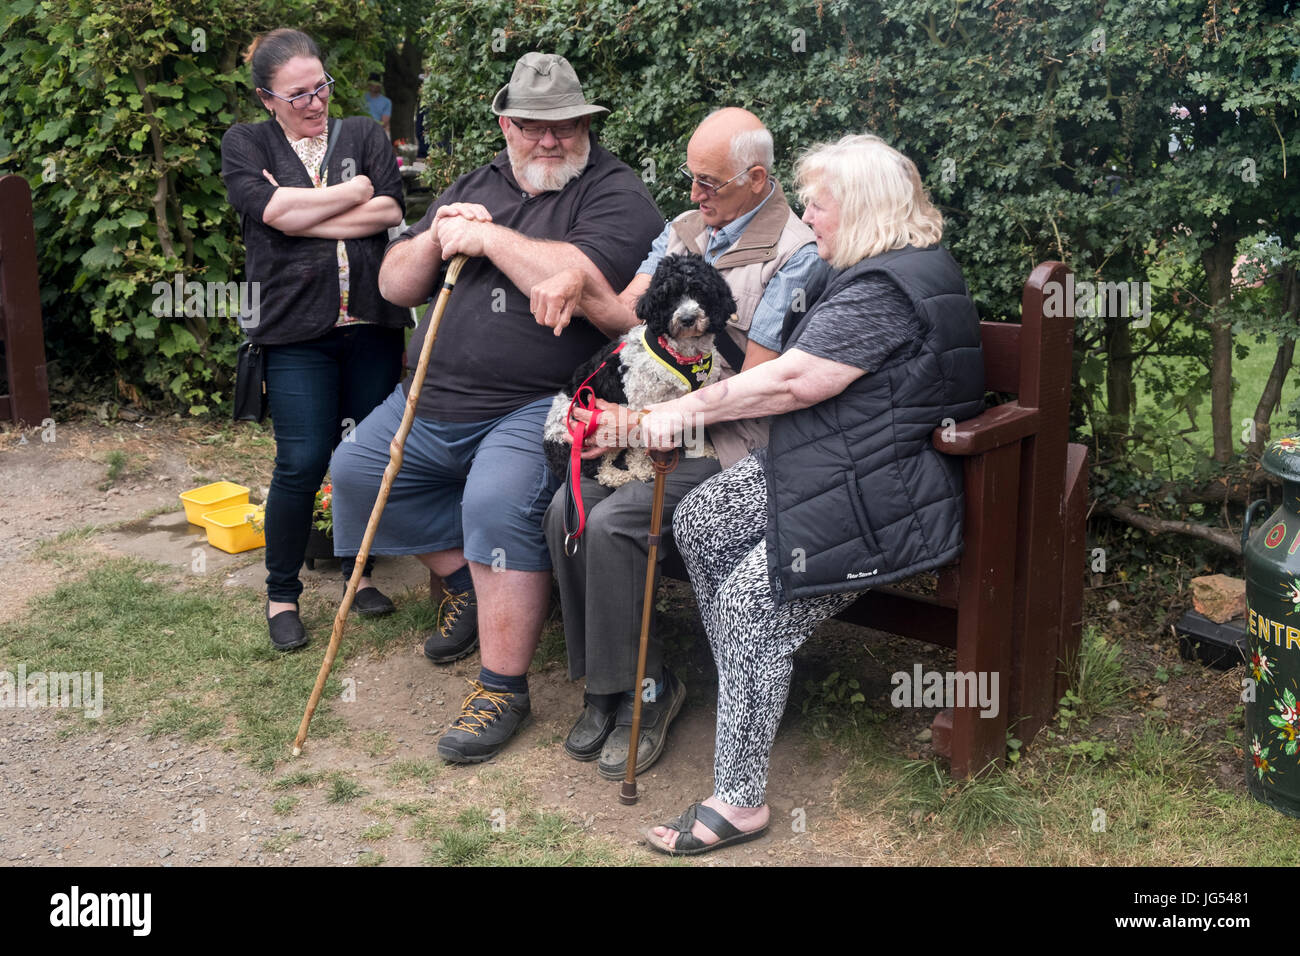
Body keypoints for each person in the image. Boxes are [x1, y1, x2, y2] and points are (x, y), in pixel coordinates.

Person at [577, 134, 985, 854]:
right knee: (701, 519)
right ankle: (750, 686)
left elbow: (795, 379)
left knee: (748, 607)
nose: (808, 217)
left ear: (858, 210)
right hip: (839, 466)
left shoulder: (885, 287)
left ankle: (738, 800)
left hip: (882, 494)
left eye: (819, 205)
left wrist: (672, 413)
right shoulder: (883, 268)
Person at [328, 53, 663, 762]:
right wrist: (435, 233)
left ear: (586, 124)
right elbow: (393, 286)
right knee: (355, 473)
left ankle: (503, 687)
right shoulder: (475, 181)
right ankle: (464, 585)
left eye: (566, 127)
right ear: (506, 125)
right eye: (534, 128)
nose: (550, 142)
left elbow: (587, 288)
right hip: (432, 395)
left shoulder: (614, 194)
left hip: (540, 402)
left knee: (496, 503)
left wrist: (488, 238)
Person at [532, 108, 829, 782]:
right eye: (691, 182)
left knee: (613, 524)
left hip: (734, 440)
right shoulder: (684, 230)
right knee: (567, 510)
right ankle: (604, 687)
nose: (694, 198)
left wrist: (633, 427)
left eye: (708, 184)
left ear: (756, 180)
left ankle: (650, 690)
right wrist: (579, 282)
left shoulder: (796, 254)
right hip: (652, 416)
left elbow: (753, 390)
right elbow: (625, 313)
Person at [221, 28, 409, 651]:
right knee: (301, 461)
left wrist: (312, 208)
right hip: (296, 331)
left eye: (320, 86)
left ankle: (357, 575)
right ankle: (282, 593)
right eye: (297, 94)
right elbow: (268, 214)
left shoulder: (361, 134)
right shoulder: (247, 142)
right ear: (266, 98)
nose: (314, 101)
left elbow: (389, 210)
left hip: (372, 325)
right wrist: (351, 194)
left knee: (362, 458)